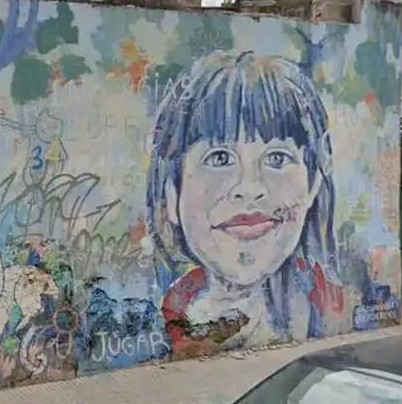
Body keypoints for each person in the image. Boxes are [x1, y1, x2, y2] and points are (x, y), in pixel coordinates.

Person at [146, 51, 345, 354]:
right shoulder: (157, 326)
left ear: (313, 182)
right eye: (219, 158)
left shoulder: (335, 306)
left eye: (277, 158)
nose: (249, 188)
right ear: (172, 193)